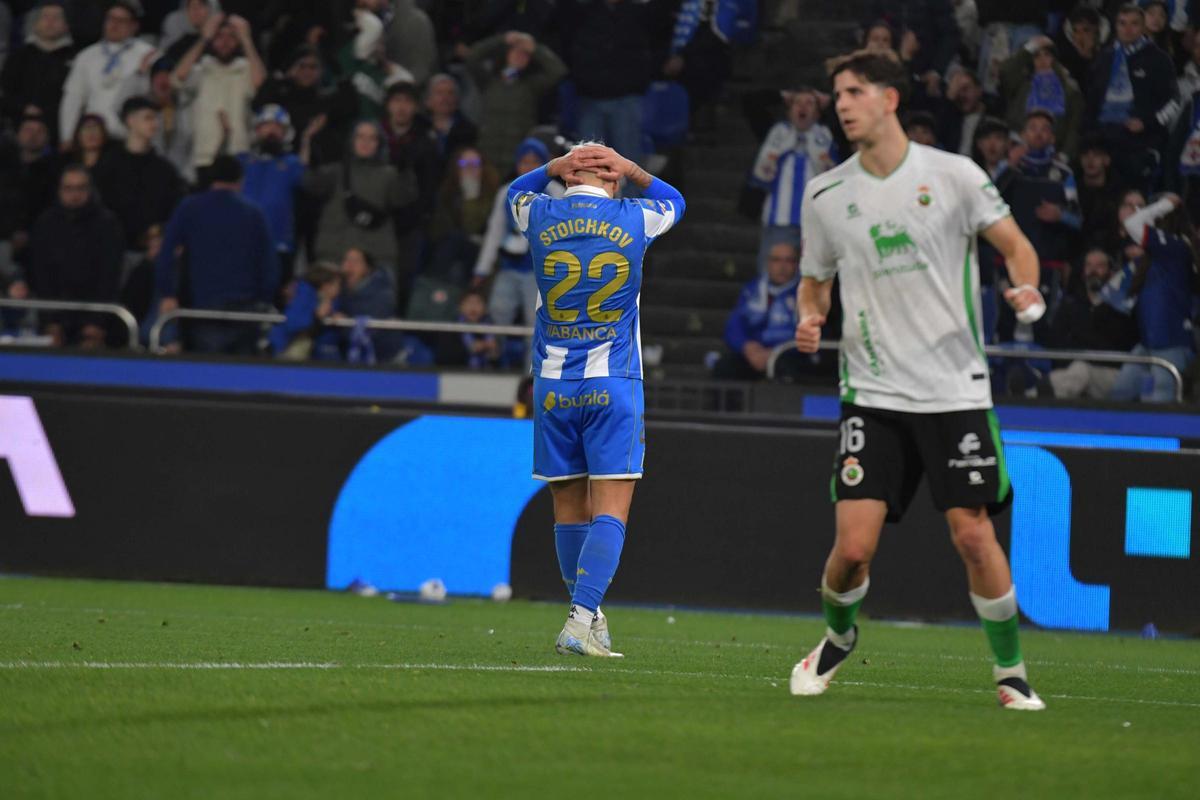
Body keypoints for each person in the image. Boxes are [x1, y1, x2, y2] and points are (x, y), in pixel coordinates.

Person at [790, 50, 1047, 710]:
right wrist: (810, 319)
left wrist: (1026, 291)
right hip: (871, 394)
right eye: (836, 93)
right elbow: (813, 284)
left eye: (854, 91)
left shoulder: (956, 176)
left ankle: (1011, 672)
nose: (840, 103)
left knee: (972, 533)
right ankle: (838, 638)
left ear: (890, 99)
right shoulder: (825, 195)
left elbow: (1017, 247)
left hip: (954, 390)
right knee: (852, 550)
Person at [508, 142, 685, 657]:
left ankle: (590, 617)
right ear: (613, 180)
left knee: (568, 507)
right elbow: (676, 200)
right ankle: (582, 618)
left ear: (565, 177)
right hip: (614, 382)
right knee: (612, 507)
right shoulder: (635, 218)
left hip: (552, 384)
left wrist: (550, 168)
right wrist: (632, 169)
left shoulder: (538, 212)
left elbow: (514, 192)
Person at [154, 154, 279, 354]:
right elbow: (269, 266)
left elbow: (166, 253)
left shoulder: (190, 208)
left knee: (206, 377)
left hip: (202, 309)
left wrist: (168, 293)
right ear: (240, 179)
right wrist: (263, 300)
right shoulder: (254, 214)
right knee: (241, 379)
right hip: (245, 312)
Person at [1108, 192, 1197, 402]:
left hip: (1171, 342)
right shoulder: (1162, 252)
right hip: (1149, 341)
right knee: (1120, 393)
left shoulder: (1175, 246)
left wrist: (1166, 203)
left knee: (1161, 404)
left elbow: (1132, 223)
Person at [24, 164, 125, 347]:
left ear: (90, 190)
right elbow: (40, 275)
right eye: (68, 188)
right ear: (59, 190)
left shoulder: (108, 225)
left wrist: (96, 321)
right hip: (54, 313)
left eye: (80, 188)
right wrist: (50, 322)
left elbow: (109, 276)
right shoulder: (45, 224)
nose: (74, 194)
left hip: (95, 315)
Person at [472, 138, 562, 342]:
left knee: (536, 323)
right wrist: (482, 269)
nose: (529, 167)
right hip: (509, 266)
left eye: (534, 162)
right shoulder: (507, 192)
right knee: (497, 314)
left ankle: (532, 373)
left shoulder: (557, 193)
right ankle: (497, 365)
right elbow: (495, 232)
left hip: (542, 272)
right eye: (524, 162)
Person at [747, 87, 837, 273]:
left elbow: (833, 176)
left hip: (814, 224)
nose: (802, 107)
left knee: (811, 279)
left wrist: (831, 102)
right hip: (779, 221)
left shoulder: (825, 135)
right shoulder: (778, 133)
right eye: (797, 103)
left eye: (809, 103)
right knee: (769, 273)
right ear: (789, 110)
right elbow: (760, 173)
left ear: (817, 112)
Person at [172, 12, 267, 170]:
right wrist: (204, 37)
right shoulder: (202, 68)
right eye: (219, 36)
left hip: (238, 155)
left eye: (231, 36)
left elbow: (261, 85)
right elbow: (177, 78)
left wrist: (246, 39)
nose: (225, 42)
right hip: (203, 157)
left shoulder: (244, 68)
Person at [92, 96, 186, 255]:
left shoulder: (164, 169)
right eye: (148, 118)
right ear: (130, 121)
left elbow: (175, 207)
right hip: (113, 250)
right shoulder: (108, 166)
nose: (155, 124)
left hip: (153, 252)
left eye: (156, 118)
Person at [1042, 247, 1140, 398]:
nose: (1093, 270)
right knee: (1075, 371)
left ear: (1111, 272)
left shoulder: (1122, 307)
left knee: (1081, 369)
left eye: (1099, 266)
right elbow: (1055, 342)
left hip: (1112, 373)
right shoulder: (1071, 304)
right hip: (1071, 372)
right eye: (1089, 265)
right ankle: (1034, 395)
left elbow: (1124, 343)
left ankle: (1031, 395)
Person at [465, 30, 567, 171]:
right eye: (516, 51)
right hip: (488, 154)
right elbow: (472, 57)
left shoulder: (530, 85)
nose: (520, 56)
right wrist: (502, 39)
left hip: (517, 159)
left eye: (525, 54)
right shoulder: (489, 81)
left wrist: (535, 49)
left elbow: (557, 70)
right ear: (507, 53)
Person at [58, 0, 156, 143]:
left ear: (134, 26)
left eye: (121, 20)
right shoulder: (87, 56)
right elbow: (73, 99)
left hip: (132, 138)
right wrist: (67, 136)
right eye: (111, 18)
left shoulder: (148, 55)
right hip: (94, 139)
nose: (114, 24)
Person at [237, 104, 314, 283]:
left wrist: (306, 142)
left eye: (278, 126)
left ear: (286, 133)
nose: (272, 130)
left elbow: (306, 178)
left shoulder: (292, 164)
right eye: (267, 125)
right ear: (257, 129)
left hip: (277, 245)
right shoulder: (243, 161)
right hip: (242, 243)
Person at [712, 241, 803, 380]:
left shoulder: (807, 293)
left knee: (791, 369)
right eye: (776, 260)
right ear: (768, 263)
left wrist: (774, 353)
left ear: (797, 265)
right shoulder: (752, 289)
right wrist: (747, 347)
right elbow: (734, 325)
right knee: (724, 368)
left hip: (787, 354)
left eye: (789, 261)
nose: (782, 266)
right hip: (753, 353)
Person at [0, 0, 75, 140]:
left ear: (66, 25)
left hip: (56, 131)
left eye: (56, 18)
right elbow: (6, 93)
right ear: (35, 23)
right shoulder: (18, 56)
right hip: (16, 127)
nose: (50, 22)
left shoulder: (75, 59)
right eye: (45, 17)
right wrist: (24, 108)